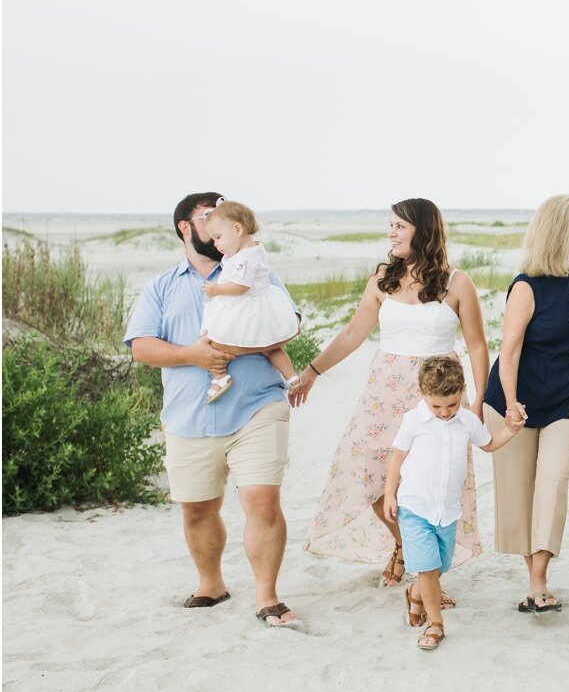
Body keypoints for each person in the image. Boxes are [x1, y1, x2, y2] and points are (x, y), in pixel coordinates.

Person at [293, 198, 493, 592]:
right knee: (368, 476)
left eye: (400, 226)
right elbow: (353, 334)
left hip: (435, 395)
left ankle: (427, 577)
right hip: (382, 393)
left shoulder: (457, 282)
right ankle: (404, 544)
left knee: (429, 482)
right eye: (391, 226)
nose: (392, 233)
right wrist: (312, 372)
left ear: (423, 230)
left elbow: (478, 346)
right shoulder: (382, 278)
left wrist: (478, 402)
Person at [125, 192, 301, 627]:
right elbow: (142, 347)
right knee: (198, 509)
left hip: (256, 406)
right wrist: (194, 355)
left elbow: (289, 324)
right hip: (189, 415)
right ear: (186, 227)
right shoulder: (161, 287)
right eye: (207, 217)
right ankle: (211, 583)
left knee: (262, 501)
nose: (218, 223)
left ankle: (267, 596)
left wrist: (236, 349)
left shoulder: (256, 271)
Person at [482, 193, 569, 616]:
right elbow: (508, 352)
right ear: (559, 231)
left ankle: (539, 576)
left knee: (553, 481)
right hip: (516, 401)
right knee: (519, 492)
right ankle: (535, 581)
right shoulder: (526, 285)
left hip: (566, 399)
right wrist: (511, 405)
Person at [383, 357, 523, 650]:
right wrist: (389, 494)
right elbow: (397, 457)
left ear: (462, 392)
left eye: (452, 405)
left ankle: (416, 594)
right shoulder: (414, 420)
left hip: (446, 510)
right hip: (414, 507)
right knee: (428, 569)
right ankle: (436, 625)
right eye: (437, 407)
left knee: (440, 566)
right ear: (423, 394)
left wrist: (510, 430)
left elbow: (488, 444)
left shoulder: (467, 420)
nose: (445, 413)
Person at [196, 201, 298, 401]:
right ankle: (291, 376)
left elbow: (241, 286)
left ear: (237, 229)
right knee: (270, 347)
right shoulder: (253, 249)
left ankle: (220, 377)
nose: (216, 244)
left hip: (245, 307)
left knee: (214, 341)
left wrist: (216, 289)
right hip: (259, 305)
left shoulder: (244, 258)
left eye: (218, 237)